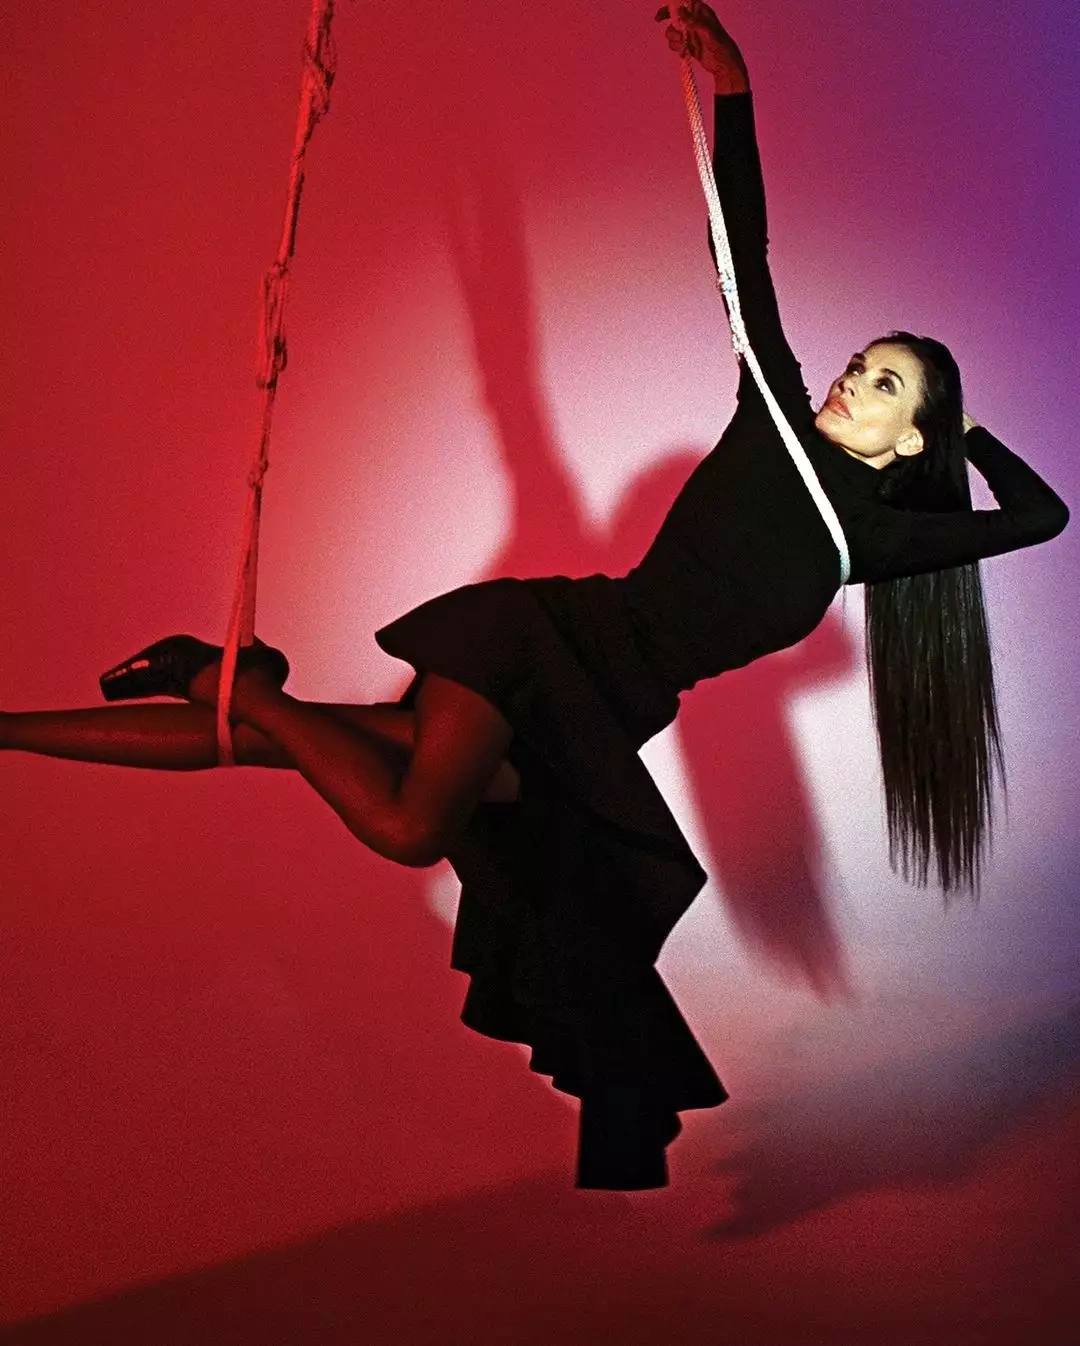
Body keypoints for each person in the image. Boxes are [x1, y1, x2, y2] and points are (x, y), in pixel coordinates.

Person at [2, 2, 1068, 1188]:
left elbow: (1042, 519)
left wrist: (970, 431)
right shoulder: (771, 408)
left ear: (911, 437)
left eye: (885, 387)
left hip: (596, 716)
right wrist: (735, 86)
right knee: (410, 824)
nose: (850, 382)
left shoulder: (869, 540)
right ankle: (222, 675)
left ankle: (105, 712)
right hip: (540, 641)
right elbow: (742, 243)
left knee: (264, 743)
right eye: (862, 365)